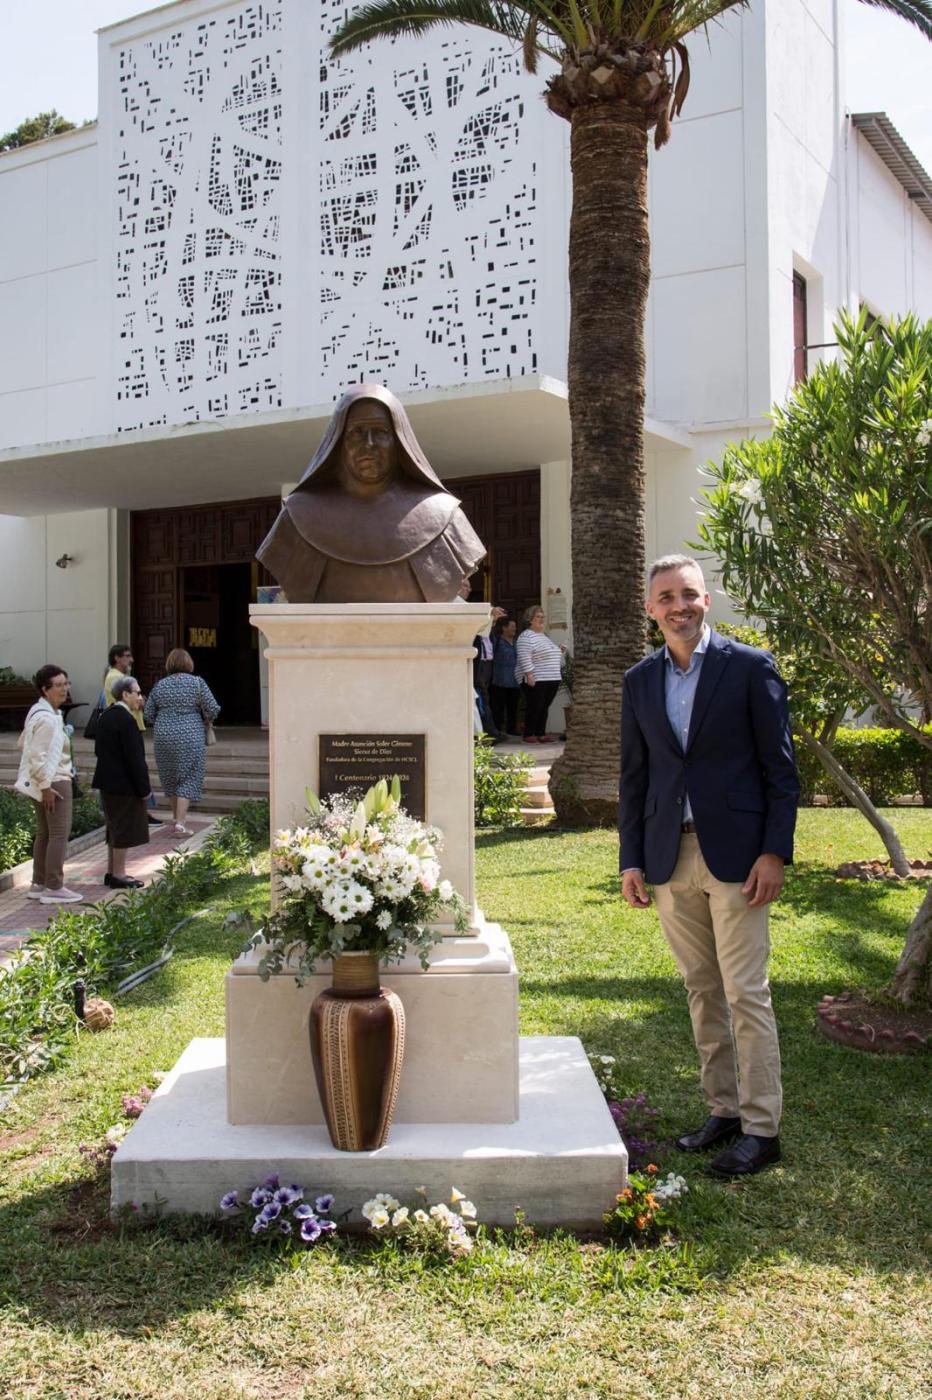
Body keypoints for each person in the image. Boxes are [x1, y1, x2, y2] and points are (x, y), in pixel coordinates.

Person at [619, 554, 799, 1178]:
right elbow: (635, 778)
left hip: (740, 859)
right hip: (671, 857)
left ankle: (761, 1127)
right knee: (702, 990)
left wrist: (774, 851)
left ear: (707, 600)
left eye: (689, 594)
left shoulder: (749, 667)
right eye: (666, 596)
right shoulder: (640, 679)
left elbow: (780, 769)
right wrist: (632, 860)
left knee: (745, 992)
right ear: (651, 609)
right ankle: (723, 1111)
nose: (679, 605)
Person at [257, 384, 485, 602]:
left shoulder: (445, 516)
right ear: (338, 442)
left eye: (381, 431)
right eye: (356, 432)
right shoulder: (297, 516)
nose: (369, 444)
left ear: (399, 441)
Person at [14, 665, 83, 904]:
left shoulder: (42, 713)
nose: (65, 689)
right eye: (59, 685)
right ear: (45, 689)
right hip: (53, 782)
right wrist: (45, 787)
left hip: (45, 781)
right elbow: (35, 754)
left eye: (66, 683)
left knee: (45, 833)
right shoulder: (47, 718)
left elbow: (24, 743)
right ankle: (54, 887)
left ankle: (39, 883)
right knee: (58, 835)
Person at [144, 649, 220, 836]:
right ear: (189, 663)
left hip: (163, 736)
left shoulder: (160, 685)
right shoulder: (197, 683)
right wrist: (207, 720)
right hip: (191, 734)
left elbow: (148, 714)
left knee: (171, 777)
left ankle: (176, 818)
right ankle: (180, 823)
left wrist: (166, 719)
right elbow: (213, 708)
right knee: (189, 776)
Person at [92, 675, 152, 889]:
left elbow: (98, 750)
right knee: (124, 829)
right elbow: (135, 759)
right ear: (125, 694)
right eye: (136, 693)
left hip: (107, 781)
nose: (140, 697)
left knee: (114, 828)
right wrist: (145, 789)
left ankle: (112, 871)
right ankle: (119, 874)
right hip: (124, 784)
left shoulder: (107, 715)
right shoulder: (127, 720)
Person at [515, 605, 563, 744]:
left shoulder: (544, 636)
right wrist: (529, 674)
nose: (541, 619)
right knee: (535, 706)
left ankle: (541, 733)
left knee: (544, 706)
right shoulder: (526, 636)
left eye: (543, 617)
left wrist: (558, 650)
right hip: (537, 678)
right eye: (538, 617)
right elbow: (524, 656)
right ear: (530, 619)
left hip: (551, 677)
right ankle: (529, 733)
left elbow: (547, 654)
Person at [490, 617, 520, 737]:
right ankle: (497, 730)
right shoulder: (497, 642)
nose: (514, 629)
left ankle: (511, 729)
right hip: (499, 681)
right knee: (498, 708)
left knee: (513, 708)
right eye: (512, 626)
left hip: (515, 681)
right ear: (504, 628)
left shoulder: (517, 643)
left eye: (515, 627)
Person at [104, 645, 144, 732]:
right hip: (123, 725)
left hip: (127, 723)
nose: (132, 660)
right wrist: (141, 701)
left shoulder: (121, 676)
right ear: (117, 658)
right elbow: (132, 702)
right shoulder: (115, 677)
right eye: (128, 656)